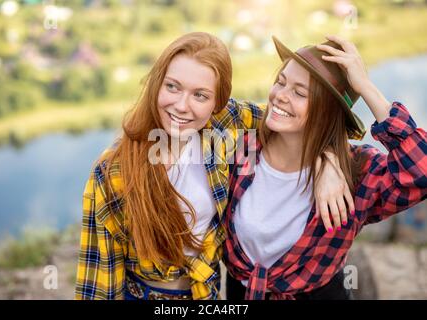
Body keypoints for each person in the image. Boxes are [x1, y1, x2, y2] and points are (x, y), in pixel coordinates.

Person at [74, 32, 353, 300]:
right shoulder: (113, 171)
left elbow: (301, 121)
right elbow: (97, 283)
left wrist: (327, 159)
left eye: (200, 95)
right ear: (157, 84)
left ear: (217, 102)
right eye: (172, 86)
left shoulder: (226, 125)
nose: (182, 106)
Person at [223, 35, 427, 300]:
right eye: (281, 82)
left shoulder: (358, 173)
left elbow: (421, 170)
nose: (280, 97)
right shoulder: (242, 148)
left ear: (327, 112)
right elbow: (196, 110)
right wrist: (325, 156)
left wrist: (365, 86)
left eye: (299, 92)